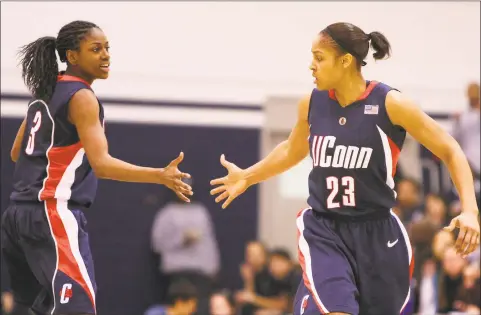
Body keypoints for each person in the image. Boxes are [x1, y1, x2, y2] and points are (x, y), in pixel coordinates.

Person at [210, 22, 480, 315]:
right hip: (326, 228)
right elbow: (291, 149)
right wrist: (247, 176)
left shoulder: (390, 104)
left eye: (318, 57)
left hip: (378, 231)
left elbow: (450, 149)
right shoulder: (312, 104)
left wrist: (469, 210)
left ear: (346, 61)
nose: (311, 66)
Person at [1, 20, 192, 315]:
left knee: (27, 308)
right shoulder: (82, 97)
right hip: (52, 215)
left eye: (107, 48)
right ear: (72, 56)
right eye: (96, 49)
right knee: (78, 310)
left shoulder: (45, 89)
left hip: (16, 218)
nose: (106, 55)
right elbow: (101, 165)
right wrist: (159, 175)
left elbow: (17, 153)